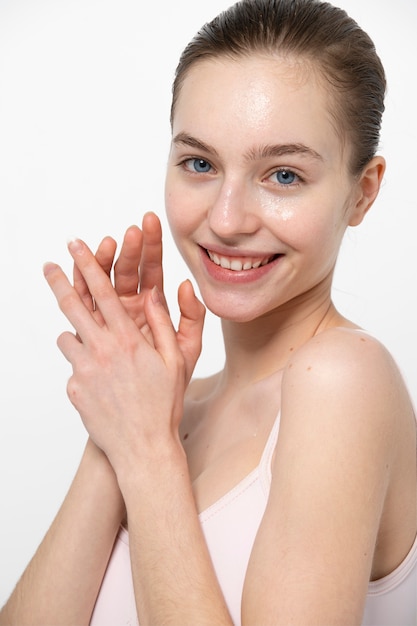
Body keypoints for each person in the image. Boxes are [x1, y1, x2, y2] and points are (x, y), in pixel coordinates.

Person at [1, 0, 416, 623]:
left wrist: (144, 450)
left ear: (362, 192)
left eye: (282, 175)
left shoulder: (341, 378)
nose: (225, 220)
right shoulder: (172, 403)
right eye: (200, 163)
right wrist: (118, 421)